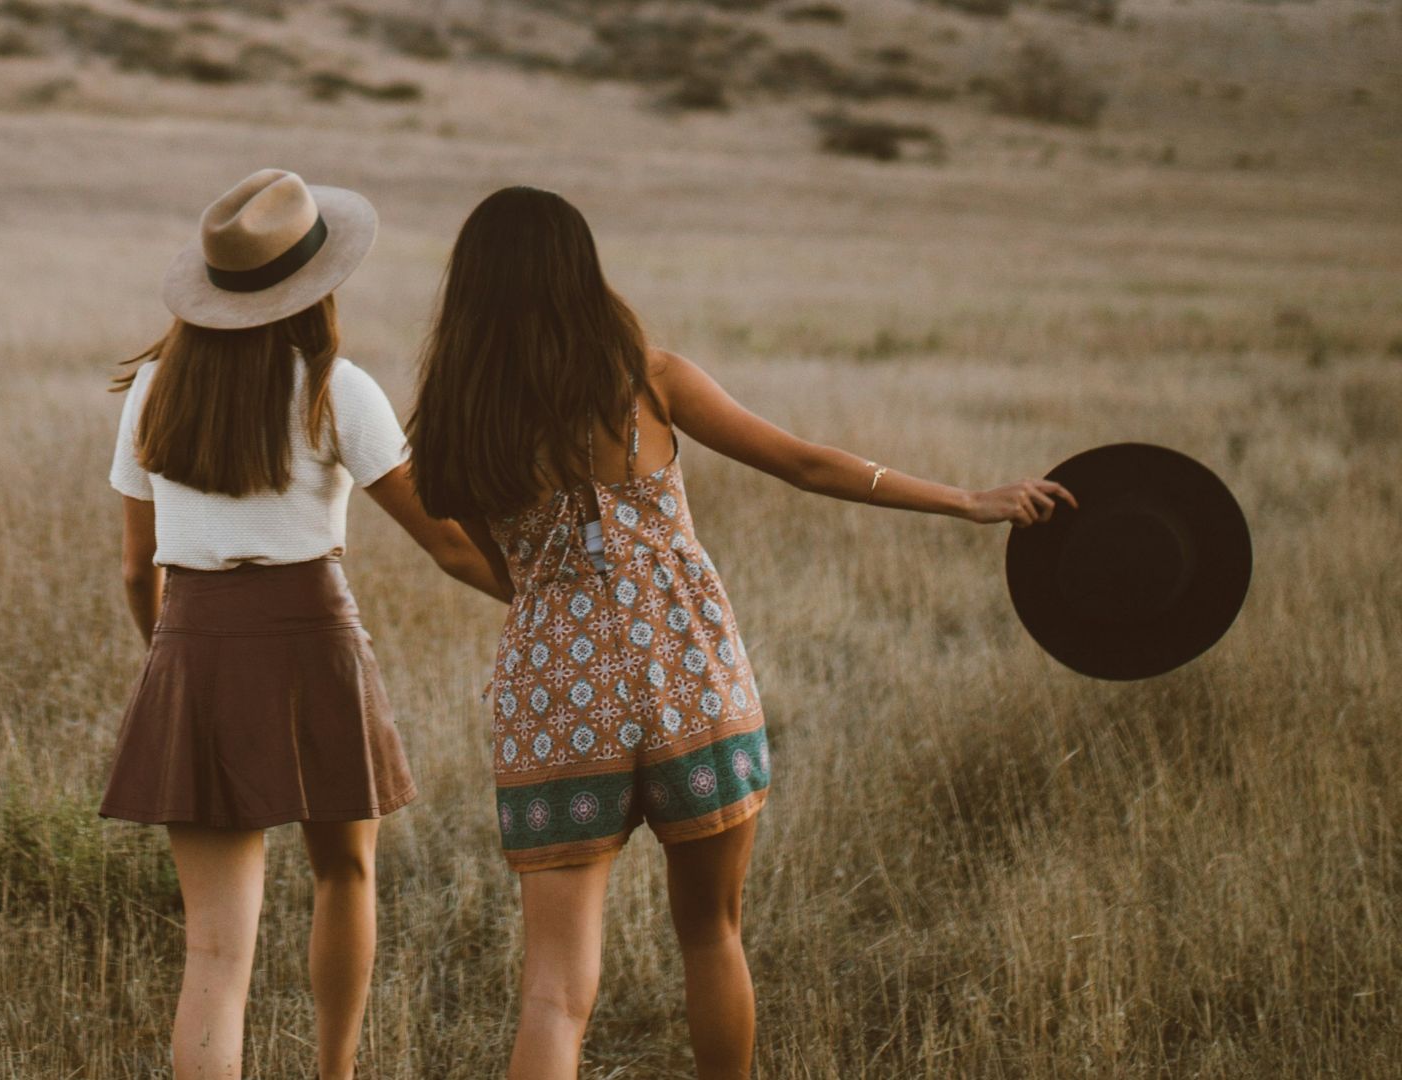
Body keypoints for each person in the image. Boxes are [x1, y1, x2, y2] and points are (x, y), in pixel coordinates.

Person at [405, 186, 1073, 1080]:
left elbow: (505, 570)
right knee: (712, 933)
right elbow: (804, 463)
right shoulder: (649, 378)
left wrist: (567, 619)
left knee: (554, 994)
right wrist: (964, 499)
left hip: (557, 693)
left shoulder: (453, 426)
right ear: (579, 273)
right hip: (687, 668)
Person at [101, 169, 511, 1080]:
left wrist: (173, 661)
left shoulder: (154, 389)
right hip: (315, 640)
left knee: (214, 951)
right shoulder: (336, 389)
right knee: (346, 873)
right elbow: (448, 545)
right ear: (315, 287)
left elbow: (137, 568)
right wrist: (548, 601)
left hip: (193, 642)